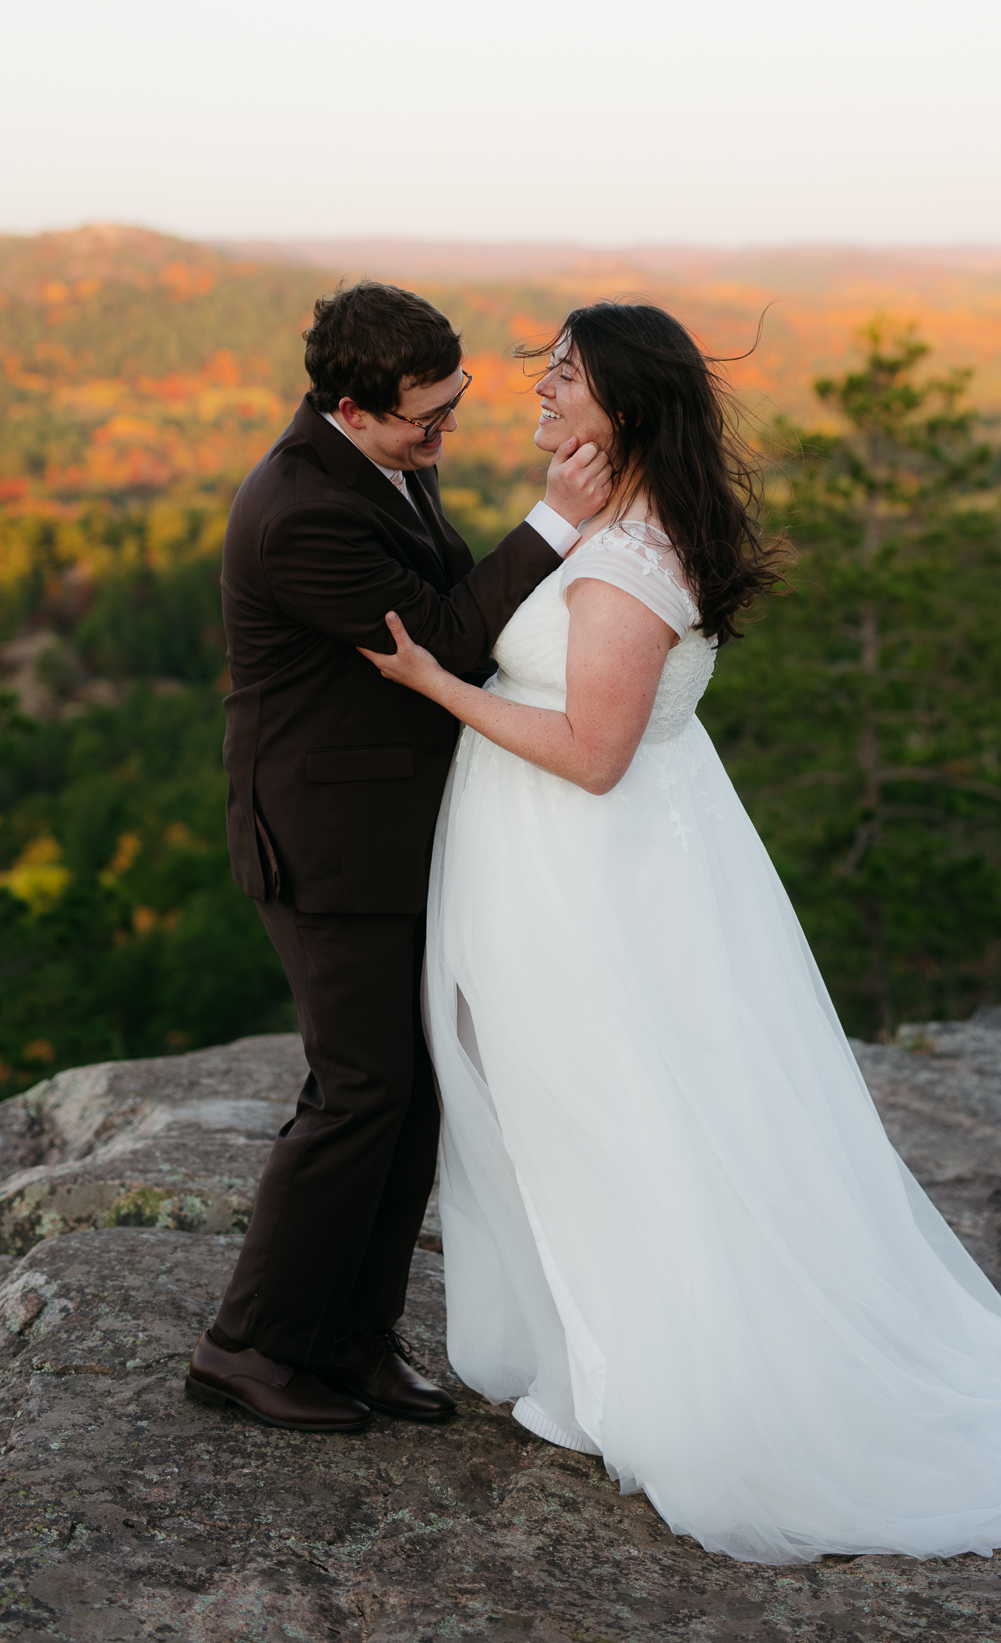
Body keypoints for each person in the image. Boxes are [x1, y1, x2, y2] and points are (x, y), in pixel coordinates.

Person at [356, 299, 1001, 1563]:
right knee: (573, 1111)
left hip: (592, 880)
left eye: (564, 379)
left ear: (622, 408)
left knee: (618, 1111)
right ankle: (596, 1347)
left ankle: (681, 1378)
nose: (538, 393)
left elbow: (590, 754)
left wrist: (437, 685)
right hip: (561, 869)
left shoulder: (631, 560)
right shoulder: (602, 527)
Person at [185, 280, 611, 1434]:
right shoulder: (297, 511)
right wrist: (555, 524)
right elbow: (441, 639)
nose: (444, 437)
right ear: (350, 406)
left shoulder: (385, 460)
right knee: (358, 1089)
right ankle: (249, 1344)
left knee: (413, 1091)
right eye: (426, 421)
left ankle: (351, 1336)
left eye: (454, 405)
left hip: (397, 826)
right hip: (326, 840)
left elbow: (439, 588)